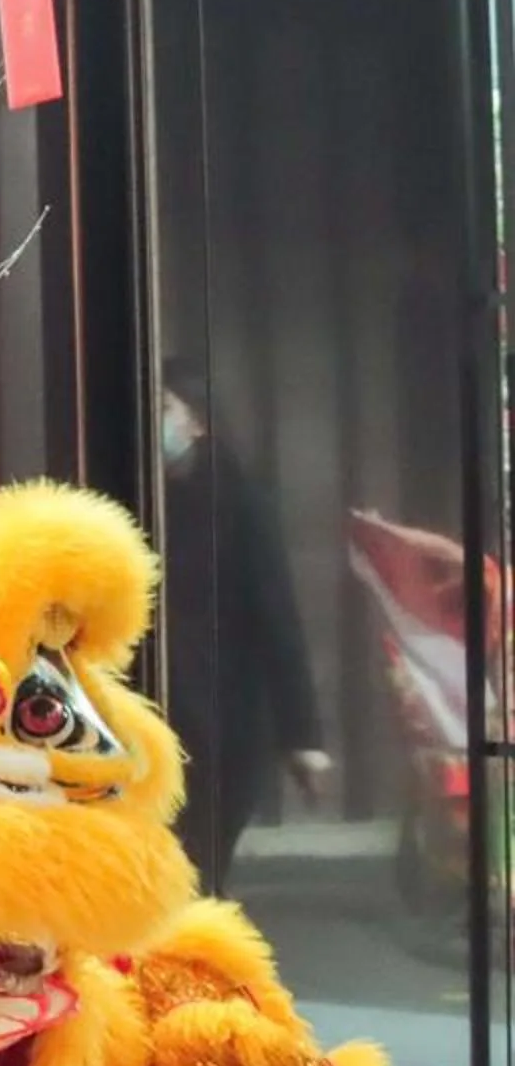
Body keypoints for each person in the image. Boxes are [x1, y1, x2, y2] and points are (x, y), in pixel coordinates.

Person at [158, 359, 332, 893]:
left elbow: (277, 618)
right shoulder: (142, 495)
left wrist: (301, 736)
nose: (156, 423)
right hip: (158, 716)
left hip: (223, 721)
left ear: (198, 421)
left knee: (197, 872)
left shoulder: (240, 502)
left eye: (165, 408)